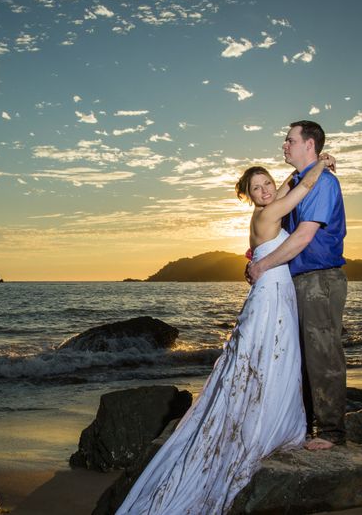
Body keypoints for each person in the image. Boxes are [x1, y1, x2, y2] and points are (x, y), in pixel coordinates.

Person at [115, 152, 335, 515]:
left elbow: (284, 188)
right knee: (270, 354)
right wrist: (320, 163)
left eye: (266, 184)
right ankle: (265, 424)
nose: (265, 190)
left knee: (270, 355)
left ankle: (269, 416)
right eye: (256, 188)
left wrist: (287, 178)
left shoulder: (267, 207)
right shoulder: (267, 215)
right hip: (272, 295)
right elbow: (304, 187)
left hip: (273, 291)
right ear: (248, 195)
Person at [247, 120, 347, 451]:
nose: (284, 145)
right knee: (300, 356)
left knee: (322, 354)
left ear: (309, 144)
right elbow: (285, 192)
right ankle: (305, 425)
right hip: (296, 280)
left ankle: (331, 432)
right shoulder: (303, 181)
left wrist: (261, 264)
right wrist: (317, 163)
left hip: (320, 278)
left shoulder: (322, 184)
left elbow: (304, 236)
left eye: (290, 140)